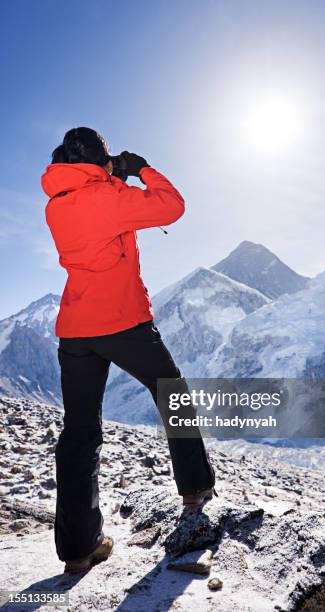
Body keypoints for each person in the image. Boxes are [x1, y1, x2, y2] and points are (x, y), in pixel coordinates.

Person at [41, 127, 216, 574]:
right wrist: (139, 169)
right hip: (122, 321)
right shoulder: (109, 197)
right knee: (172, 394)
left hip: (76, 329)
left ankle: (79, 550)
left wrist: (108, 174)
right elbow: (172, 207)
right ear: (100, 162)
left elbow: (93, 200)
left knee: (79, 433)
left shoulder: (56, 204)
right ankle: (195, 491)